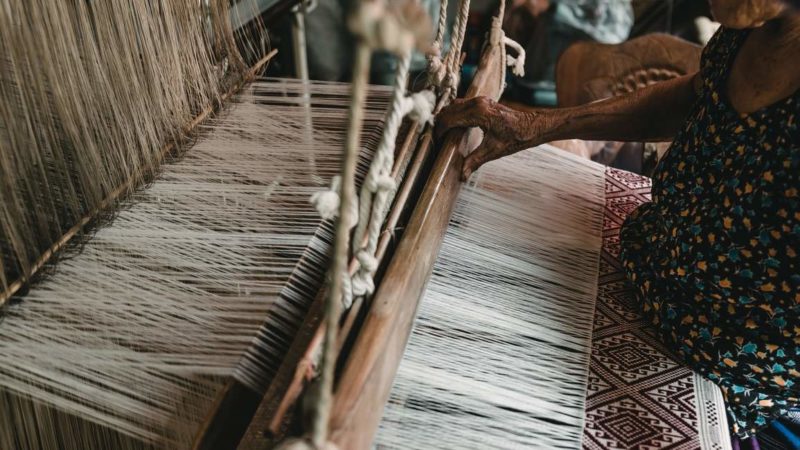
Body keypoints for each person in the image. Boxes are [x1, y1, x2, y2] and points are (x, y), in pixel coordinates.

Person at [436, 0, 800, 439]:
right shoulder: (752, 30)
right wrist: (538, 125)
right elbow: (697, 95)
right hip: (648, 257)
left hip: (727, 368)